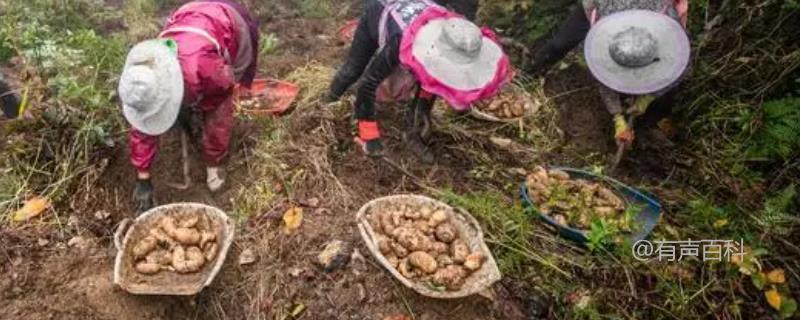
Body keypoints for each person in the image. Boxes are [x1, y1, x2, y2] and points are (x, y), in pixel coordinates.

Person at [118, 0, 259, 212]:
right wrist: (143, 177)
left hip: (230, 22)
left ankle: (214, 165)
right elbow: (143, 126)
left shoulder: (204, 71)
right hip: (187, 17)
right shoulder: (141, 76)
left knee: (216, 109)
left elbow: (218, 108)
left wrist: (193, 105)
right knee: (188, 102)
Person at [325, 0, 509, 163]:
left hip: (417, 18)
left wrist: (423, 112)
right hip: (381, 10)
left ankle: (412, 133)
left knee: (428, 81)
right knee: (352, 71)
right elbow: (368, 83)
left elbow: (433, 83)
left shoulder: (456, 35)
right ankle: (326, 103)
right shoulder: (401, 39)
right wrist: (369, 135)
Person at [527, 0, 690, 148]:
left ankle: (649, 123)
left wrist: (648, 98)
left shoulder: (667, 27)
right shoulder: (605, 31)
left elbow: (683, 67)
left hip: (656, 10)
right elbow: (601, 69)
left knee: (667, 79)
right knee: (558, 45)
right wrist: (617, 117)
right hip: (604, 6)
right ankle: (527, 78)